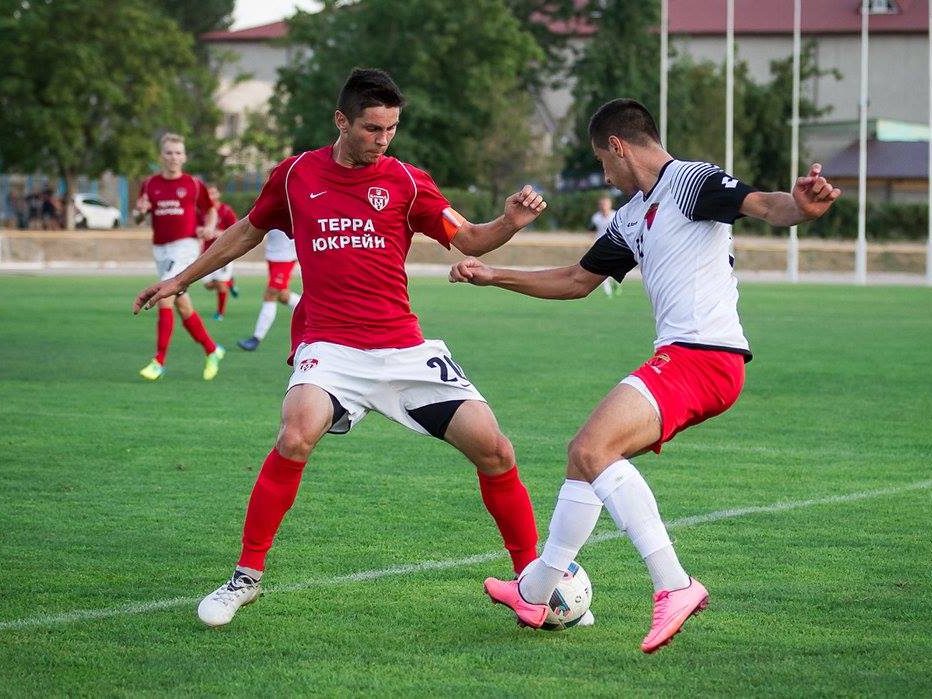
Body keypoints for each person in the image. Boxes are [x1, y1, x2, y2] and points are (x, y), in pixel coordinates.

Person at [132, 68, 549, 628]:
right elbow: (245, 232)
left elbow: (470, 237)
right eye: (373, 128)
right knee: (295, 432)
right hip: (329, 345)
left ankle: (533, 587)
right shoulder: (296, 174)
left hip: (401, 346)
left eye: (392, 128)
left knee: (495, 448)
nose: (384, 139)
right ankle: (245, 578)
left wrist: (511, 221)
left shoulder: (407, 181)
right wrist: (181, 279)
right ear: (341, 121)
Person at [450, 98, 841, 653]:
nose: (603, 174)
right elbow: (574, 280)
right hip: (687, 357)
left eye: (601, 160)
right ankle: (535, 589)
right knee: (581, 459)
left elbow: (766, 205)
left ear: (618, 146)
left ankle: (674, 585)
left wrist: (801, 207)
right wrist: (493, 275)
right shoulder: (633, 214)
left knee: (592, 450)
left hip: (704, 357)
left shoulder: (690, 181)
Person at [135, 133, 226, 381]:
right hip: (161, 249)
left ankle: (159, 361)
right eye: (169, 153)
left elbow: (211, 211)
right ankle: (212, 349)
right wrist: (140, 213)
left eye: (178, 153)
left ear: (184, 157)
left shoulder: (193, 184)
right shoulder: (149, 184)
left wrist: (209, 227)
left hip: (185, 247)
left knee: (163, 297)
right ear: (161, 156)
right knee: (183, 306)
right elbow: (139, 216)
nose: (173, 157)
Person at [237, 229, 301, 351]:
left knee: (270, 294)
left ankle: (256, 338)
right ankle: (314, 310)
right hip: (273, 255)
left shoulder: (292, 209)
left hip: (285, 257)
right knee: (282, 296)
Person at [199, 185, 240, 320]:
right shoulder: (202, 211)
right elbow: (196, 226)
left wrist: (219, 233)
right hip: (206, 253)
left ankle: (220, 314)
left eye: (213, 193)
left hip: (224, 253)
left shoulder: (226, 210)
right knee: (208, 285)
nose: (210, 196)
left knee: (221, 285)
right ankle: (230, 283)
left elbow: (237, 229)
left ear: (218, 195)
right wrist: (200, 231)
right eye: (208, 193)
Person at [588, 194, 620, 297]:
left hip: (614, 246)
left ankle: (615, 282)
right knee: (601, 270)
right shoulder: (596, 217)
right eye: (602, 204)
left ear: (610, 205)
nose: (604, 206)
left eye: (606, 204)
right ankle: (608, 292)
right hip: (600, 246)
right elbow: (591, 230)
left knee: (614, 270)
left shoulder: (616, 215)